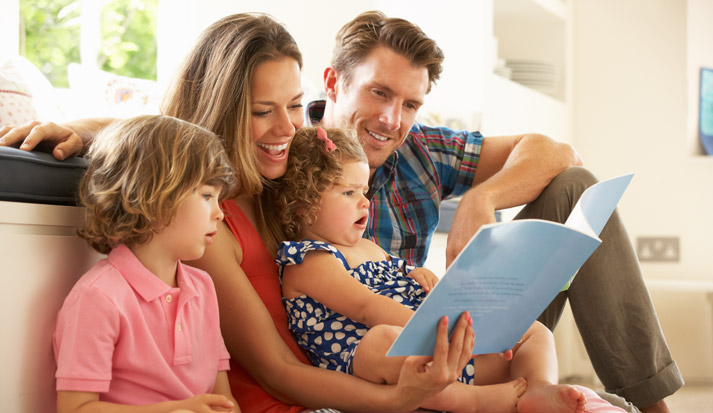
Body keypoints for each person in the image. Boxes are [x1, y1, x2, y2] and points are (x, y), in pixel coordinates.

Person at [3, 13, 476, 412]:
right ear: (224, 110)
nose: (287, 128)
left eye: (294, 105)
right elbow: (278, 373)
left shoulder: (284, 180)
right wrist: (80, 130)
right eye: (261, 111)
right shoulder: (204, 224)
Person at [305, 10, 682, 413]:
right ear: (333, 82)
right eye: (379, 92)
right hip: (371, 363)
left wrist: (480, 199)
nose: (393, 120)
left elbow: (559, 153)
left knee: (575, 185)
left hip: (454, 341)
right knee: (598, 405)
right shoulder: (291, 161)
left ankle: (647, 403)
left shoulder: (421, 150)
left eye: (410, 103)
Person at [271, 125, 632, 413]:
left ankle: (537, 389)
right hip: (375, 359)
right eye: (348, 193)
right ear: (303, 206)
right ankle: (473, 403)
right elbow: (366, 308)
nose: (364, 201)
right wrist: (439, 330)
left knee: (535, 331)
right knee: (382, 340)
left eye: (364, 190)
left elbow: (399, 274)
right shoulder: (307, 260)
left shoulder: (366, 246)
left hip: (436, 347)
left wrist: (418, 276)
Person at [53, 115, 239, 412]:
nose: (219, 213)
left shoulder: (203, 288)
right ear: (154, 196)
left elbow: (223, 399)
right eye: (207, 195)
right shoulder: (98, 298)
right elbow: (76, 408)